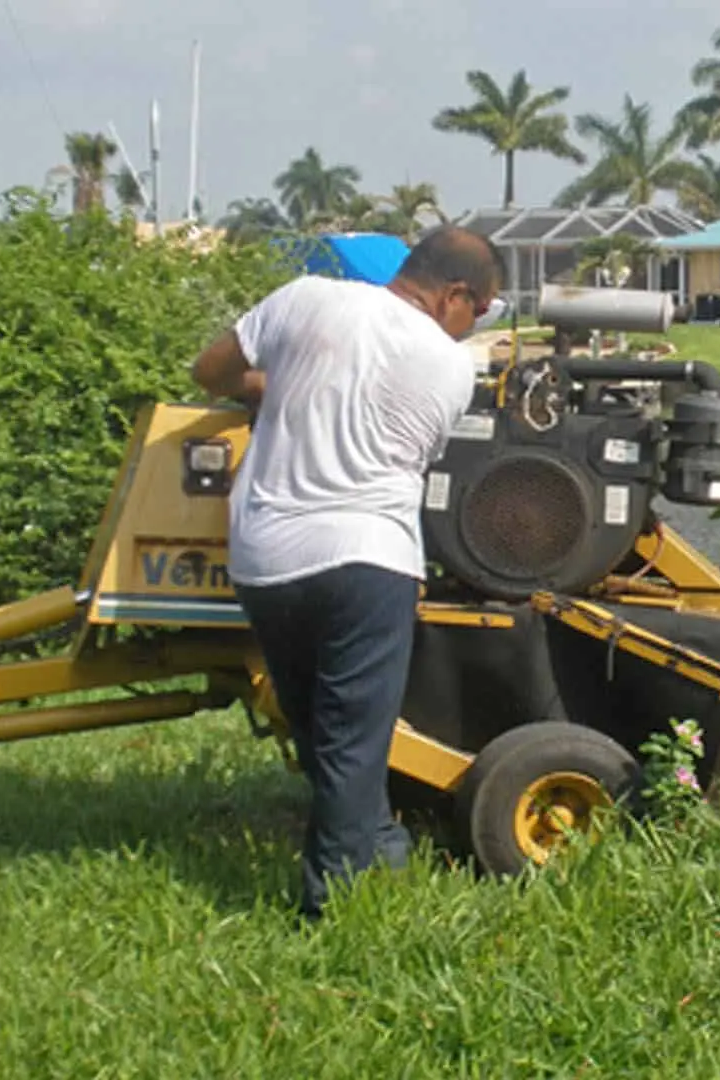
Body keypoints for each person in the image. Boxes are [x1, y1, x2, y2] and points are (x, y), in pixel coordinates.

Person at [189, 226, 496, 922]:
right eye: (479, 310)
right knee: (354, 739)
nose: (474, 325)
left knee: (317, 728)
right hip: (368, 556)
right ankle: (337, 908)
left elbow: (209, 371)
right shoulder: (452, 368)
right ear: (454, 295)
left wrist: (276, 386)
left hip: (266, 557)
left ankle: (378, 842)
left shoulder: (305, 299)